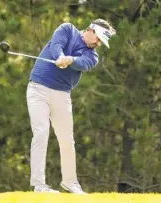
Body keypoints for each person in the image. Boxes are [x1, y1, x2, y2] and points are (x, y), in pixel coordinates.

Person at [26, 18, 116, 194]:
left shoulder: (93, 56)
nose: (98, 43)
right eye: (97, 38)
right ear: (91, 29)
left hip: (61, 95)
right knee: (41, 133)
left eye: (101, 42)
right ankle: (39, 185)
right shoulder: (67, 29)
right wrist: (60, 57)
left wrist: (70, 60)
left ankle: (70, 182)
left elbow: (83, 63)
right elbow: (56, 45)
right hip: (38, 89)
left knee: (67, 139)